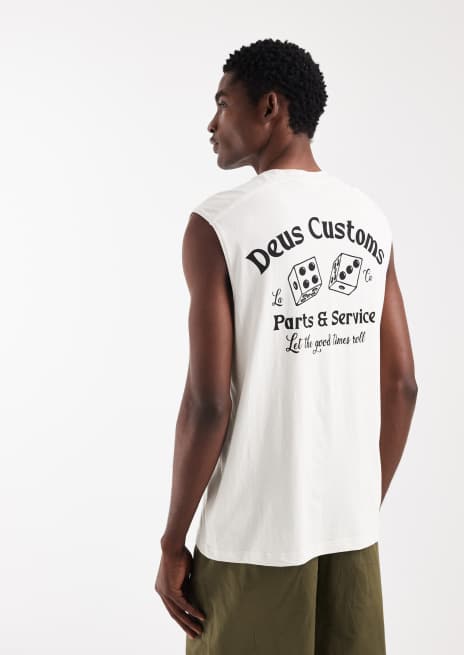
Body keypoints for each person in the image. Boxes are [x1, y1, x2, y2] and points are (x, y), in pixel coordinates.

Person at [154, 38, 418, 654]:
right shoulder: (368, 216)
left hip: (252, 537)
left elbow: (207, 404)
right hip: (351, 535)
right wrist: (361, 500)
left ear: (270, 107)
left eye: (223, 104)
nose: (212, 124)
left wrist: (172, 542)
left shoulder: (218, 224)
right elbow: (403, 384)